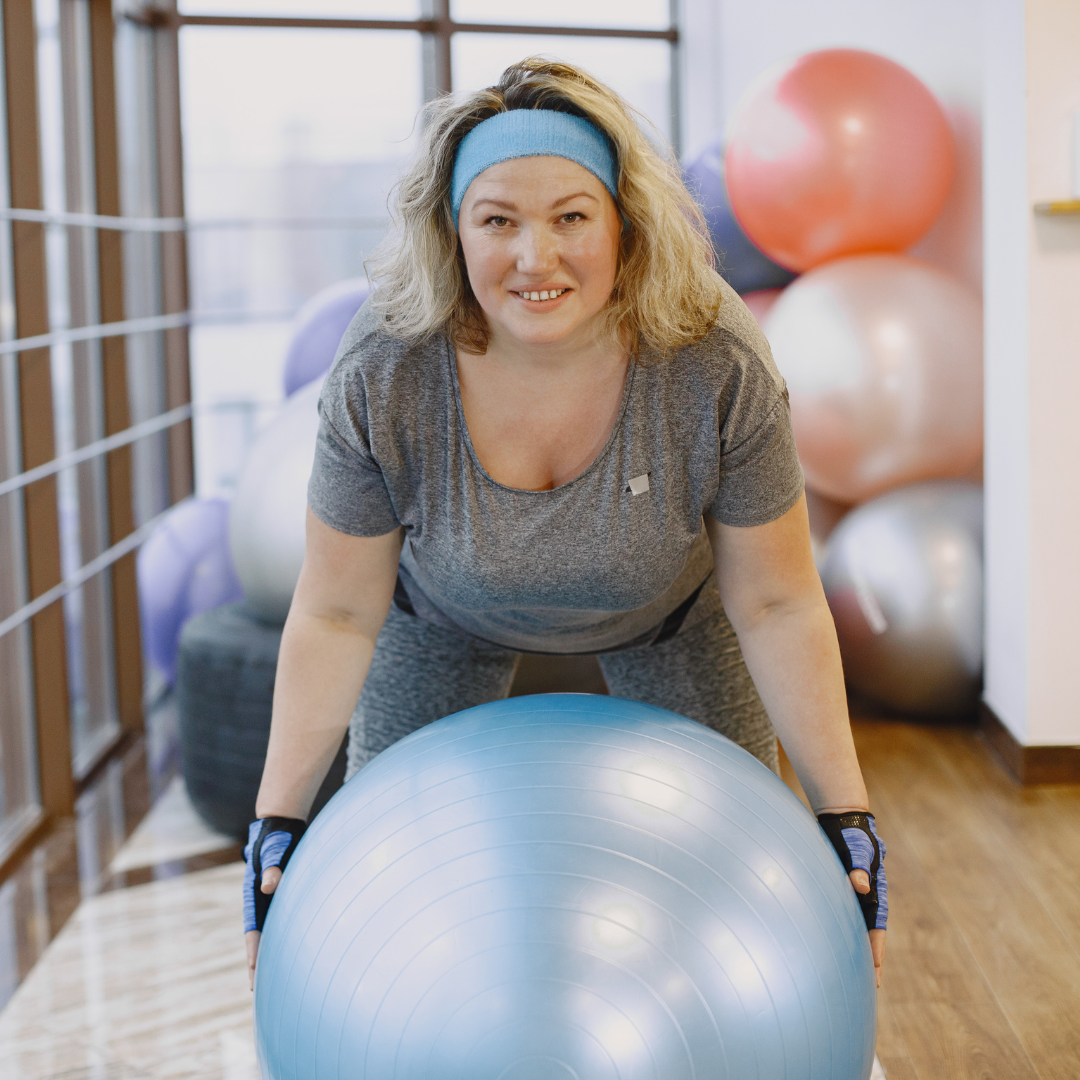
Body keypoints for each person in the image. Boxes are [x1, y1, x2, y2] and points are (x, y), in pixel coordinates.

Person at [242, 58, 887, 990]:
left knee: (726, 887)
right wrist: (280, 824)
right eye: (497, 219)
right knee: (410, 897)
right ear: (452, 232)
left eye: (571, 217)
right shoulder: (388, 365)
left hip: (674, 617)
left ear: (624, 226)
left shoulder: (711, 352)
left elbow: (780, 600)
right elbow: (339, 611)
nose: (534, 258)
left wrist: (845, 816)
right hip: (441, 620)